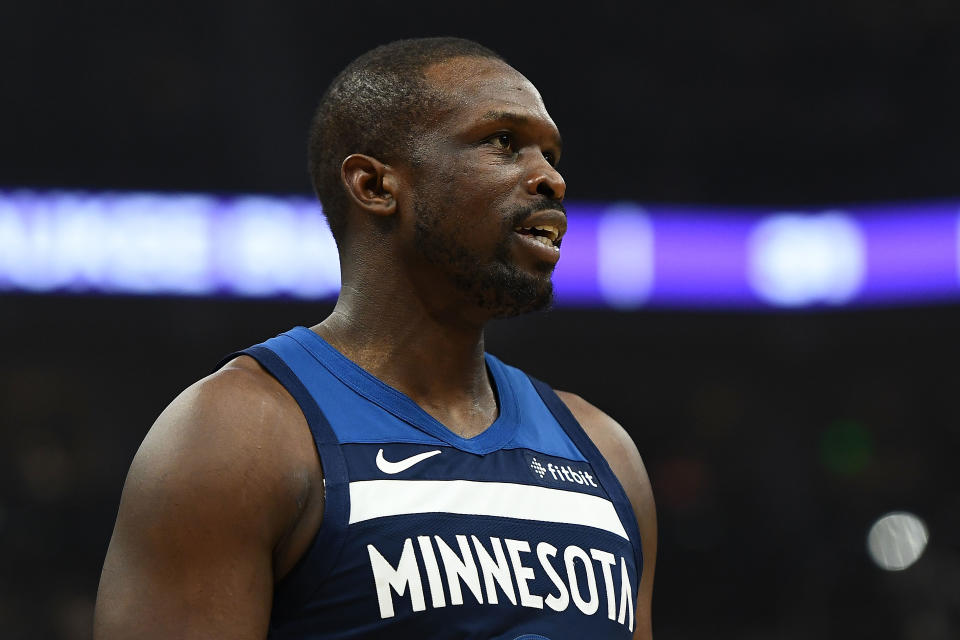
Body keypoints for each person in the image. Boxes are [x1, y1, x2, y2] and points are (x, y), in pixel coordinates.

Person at [93, 37, 656, 640]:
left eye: (552, 154)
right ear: (375, 185)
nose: (551, 180)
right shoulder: (240, 434)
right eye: (503, 142)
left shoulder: (605, 451)